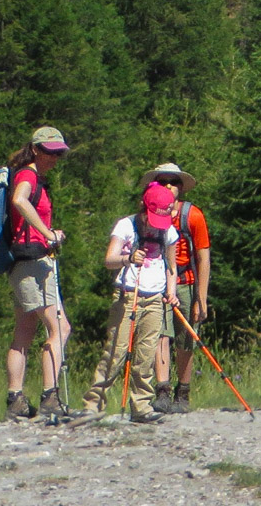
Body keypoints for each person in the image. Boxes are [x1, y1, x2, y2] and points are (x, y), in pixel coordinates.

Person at [80, 181, 179, 423]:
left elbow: (172, 267)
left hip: (155, 299)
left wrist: (171, 291)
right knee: (116, 351)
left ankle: (141, 406)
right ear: (144, 209)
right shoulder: (126, 225)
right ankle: (93, 405)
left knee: (145, 356)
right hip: (127, 295)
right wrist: (128, 258)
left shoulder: (168, 232)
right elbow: (109, 259)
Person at [4, 126, 72, 420]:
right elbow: (19, 200)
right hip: (33, 259)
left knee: (25, 331)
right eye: (50, 152)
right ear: (35, 149)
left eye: (58, 153)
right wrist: (47, 233)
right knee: (60, 328)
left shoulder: (31, 175)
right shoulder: (28, 175)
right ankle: (50, 397)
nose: (55, 157)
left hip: (23, 260)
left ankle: (16, 400)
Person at [142, 163, 209, 413]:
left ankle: (184, 391)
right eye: (163, 182)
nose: (169, 186)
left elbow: (203, 257)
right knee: (161, 335)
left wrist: (200, 297)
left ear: (181, 187)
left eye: (174, 182)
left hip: (186, 282)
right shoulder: (149, 214)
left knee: (186, 339)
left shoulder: (192, 215)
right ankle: (162, 390)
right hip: (157, 282)